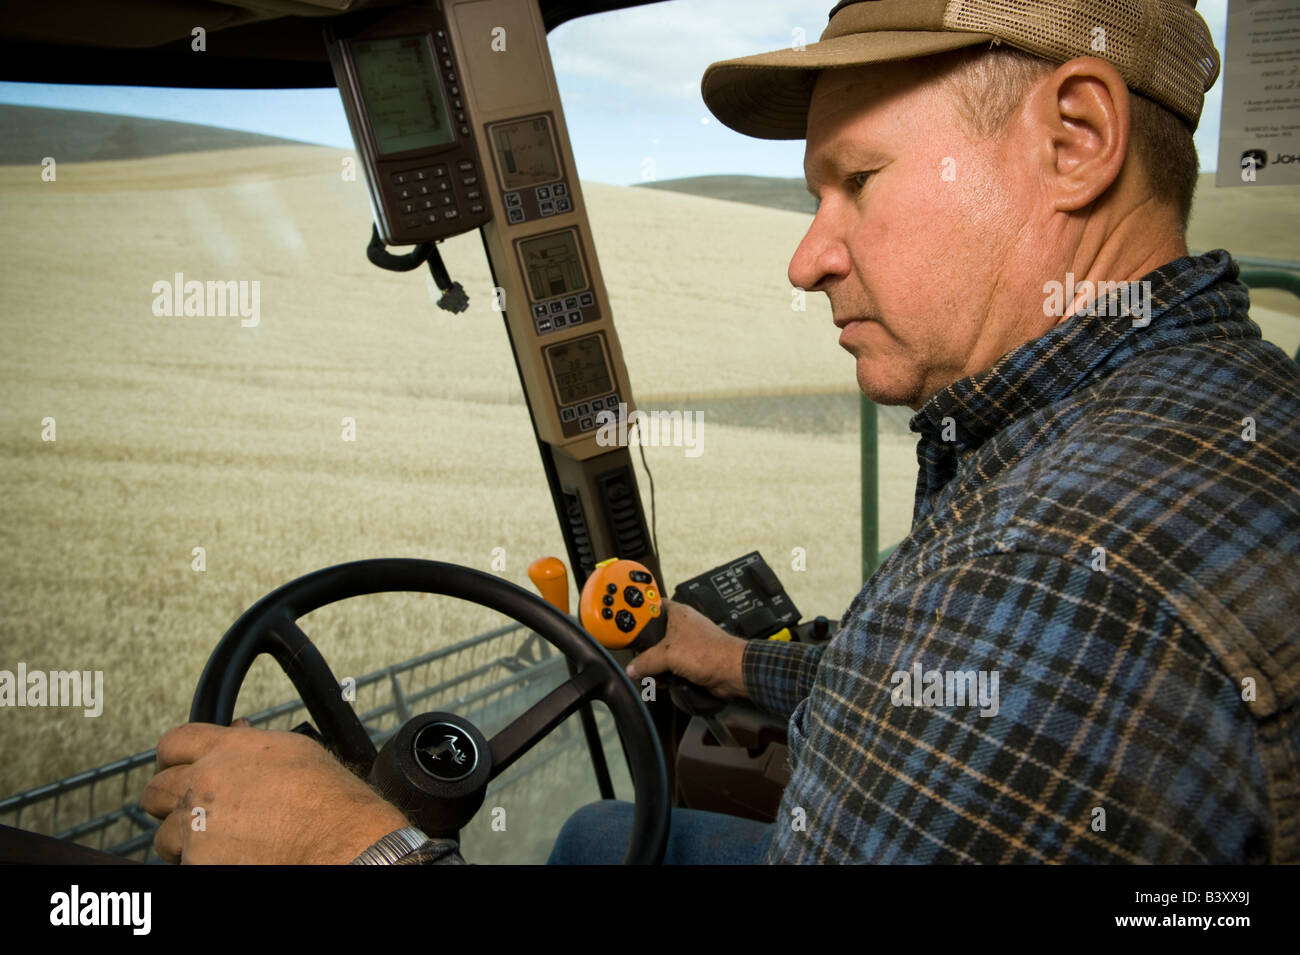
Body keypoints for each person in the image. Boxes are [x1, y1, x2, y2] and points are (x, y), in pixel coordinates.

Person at [142, 0, 1300, 864]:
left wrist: (343, 847)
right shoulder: (1204, 402)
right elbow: (930, 683)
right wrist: (734, 659)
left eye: (859, 180)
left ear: (1075, 140)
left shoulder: (1049, 579)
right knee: (605, 837)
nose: (808, 259)